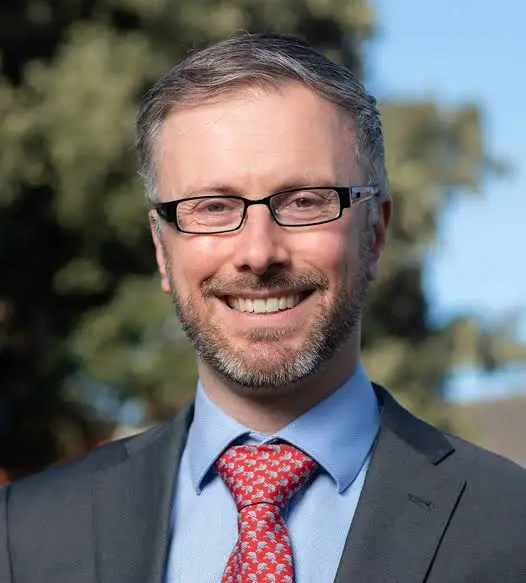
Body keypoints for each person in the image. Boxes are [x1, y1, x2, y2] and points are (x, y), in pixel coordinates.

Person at [1, 32, 525, 583]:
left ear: (374, 234)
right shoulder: (22, 539)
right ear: (161, 248)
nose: (258, 252)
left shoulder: (510, 529)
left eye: (304, 201)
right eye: (212, 206)